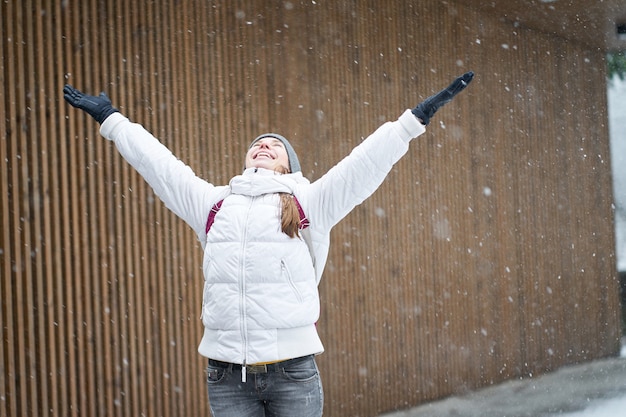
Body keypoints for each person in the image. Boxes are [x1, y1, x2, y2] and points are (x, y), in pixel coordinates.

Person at [63, 71, 474, 417]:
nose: (264, 145)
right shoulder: (213, 203)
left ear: (288, 165)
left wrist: (411, 123)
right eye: (258, 143)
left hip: (292, 372)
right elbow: (161, 166)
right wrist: (113, 120)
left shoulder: (307, 201)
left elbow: (362, 165)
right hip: (226, 376)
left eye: (275, 145)